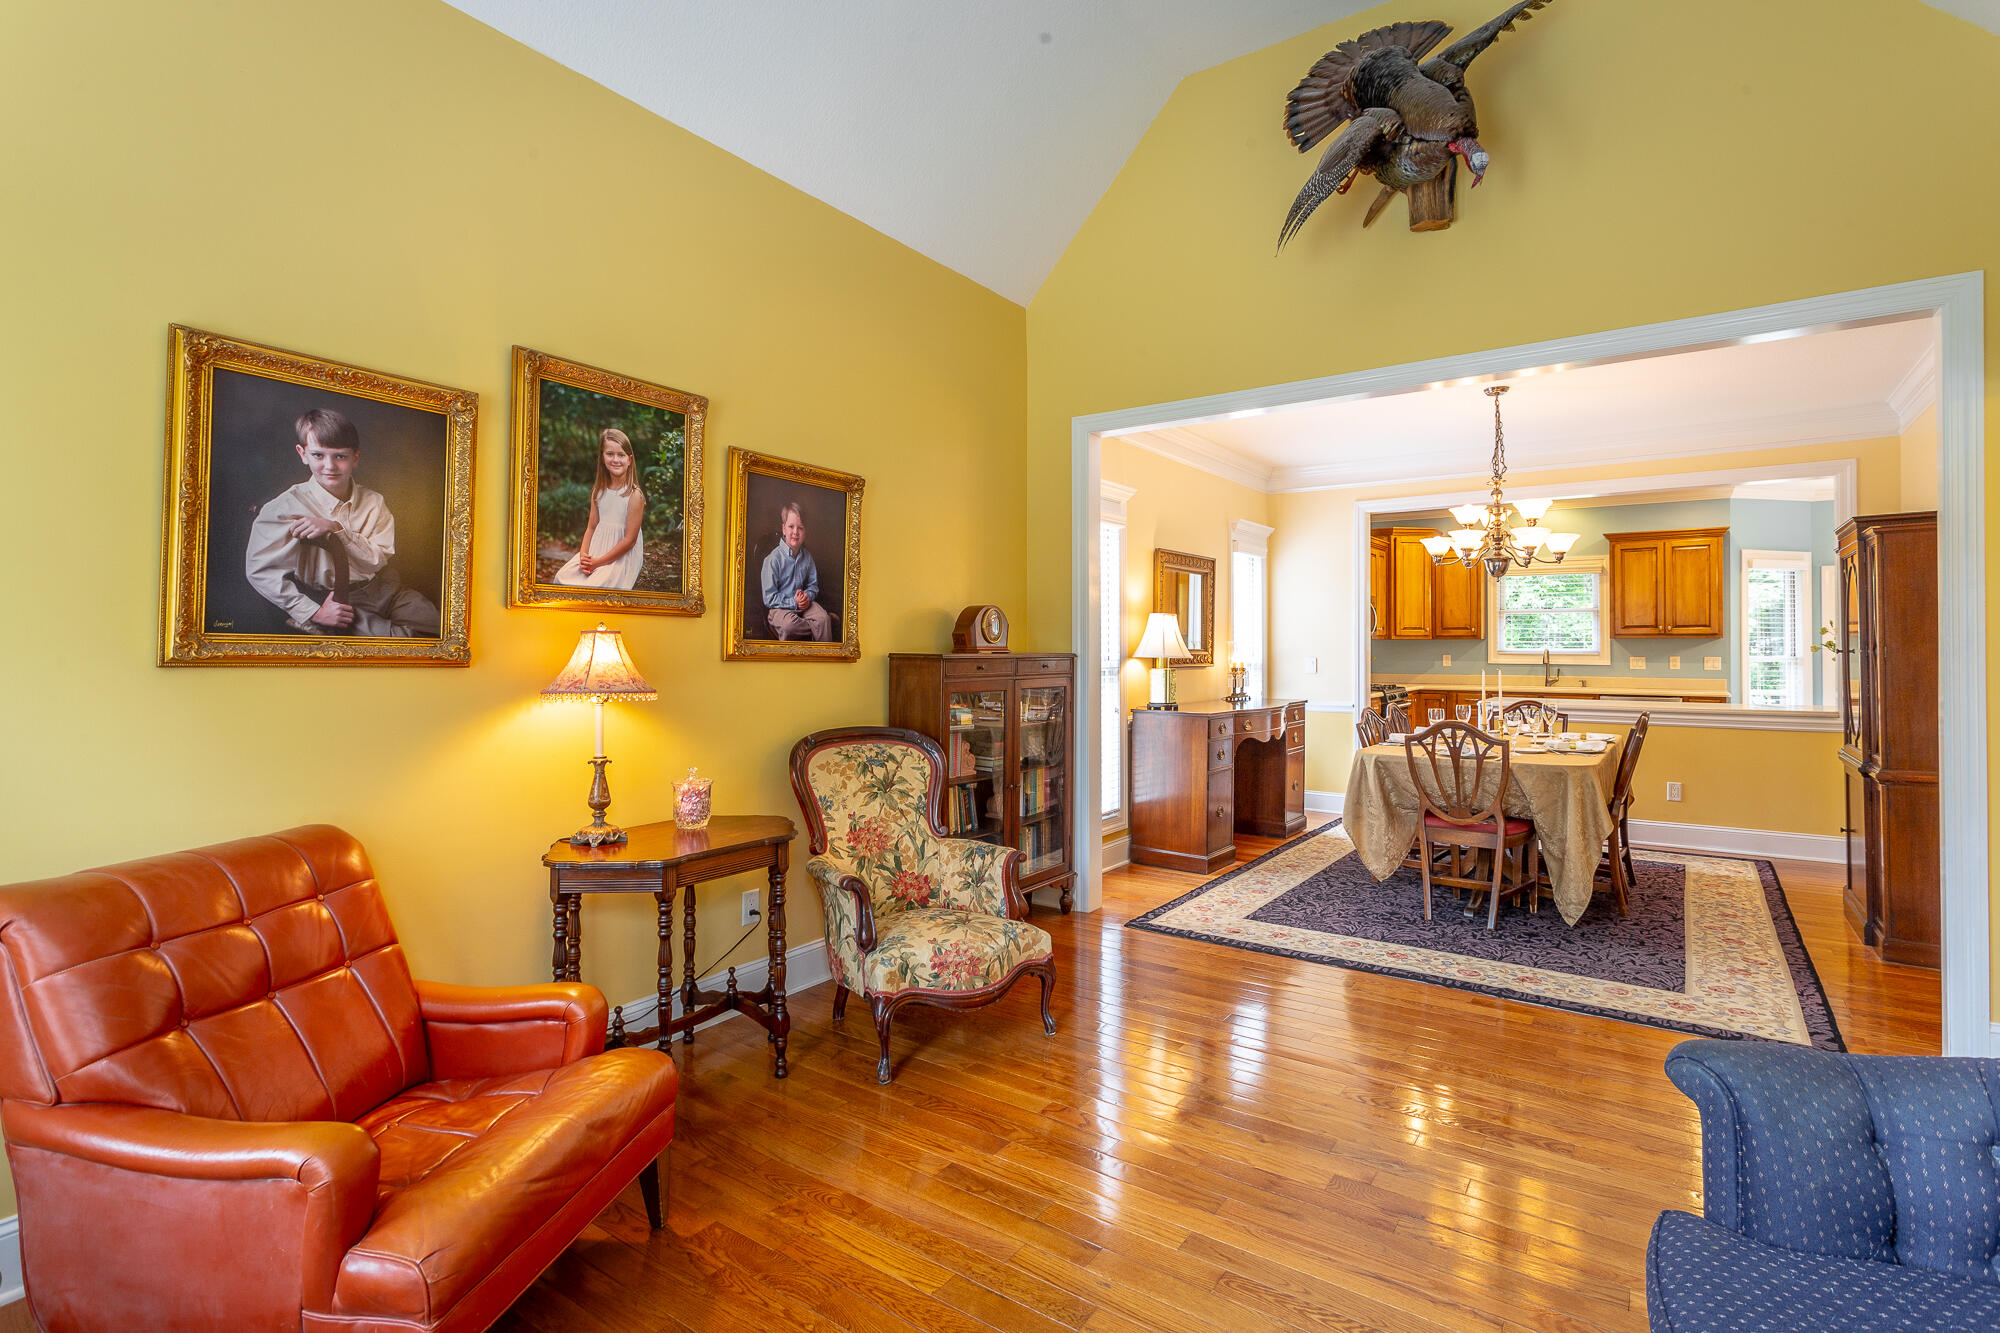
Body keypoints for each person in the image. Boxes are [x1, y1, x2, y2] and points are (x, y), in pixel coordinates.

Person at [244, 407, 440, 636]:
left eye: (340, 456)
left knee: (443, 628)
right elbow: (260, 570)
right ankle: (309, 624)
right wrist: (311, 612)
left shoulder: (374, 502)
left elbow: (376, 560)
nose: (330, 466)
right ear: (303, 453)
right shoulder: (285, 508)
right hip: (339, 599)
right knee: (405, 641)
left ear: (355, 458)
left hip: (385, 588)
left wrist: (336, 529)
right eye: (319, 455)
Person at [552, 428, 646, 589]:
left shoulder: (634, 495)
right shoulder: (599, 491)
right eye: (610, 454)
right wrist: (584, 557)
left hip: (620, 555)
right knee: (563, 577)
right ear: (602, 458)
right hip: (597, 549)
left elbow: (629, 541)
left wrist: (597, 563)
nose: (615, 459)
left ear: (630, 459)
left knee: (597, 586)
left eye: (621, 455)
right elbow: (591, 527)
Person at [759, 500, 832, 640]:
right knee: (789, 626)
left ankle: (823, 659)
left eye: (800, 528)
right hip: (779, 608)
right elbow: (769, 598)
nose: (795, 532)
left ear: (805, 532)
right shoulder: (773, 559)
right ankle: (816, 628)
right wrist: (794, 602)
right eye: (791, 526)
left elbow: (813, 585)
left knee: (824, 620)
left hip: (804, 606)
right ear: (783, 529)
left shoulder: (807, 557)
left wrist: (806, 597)